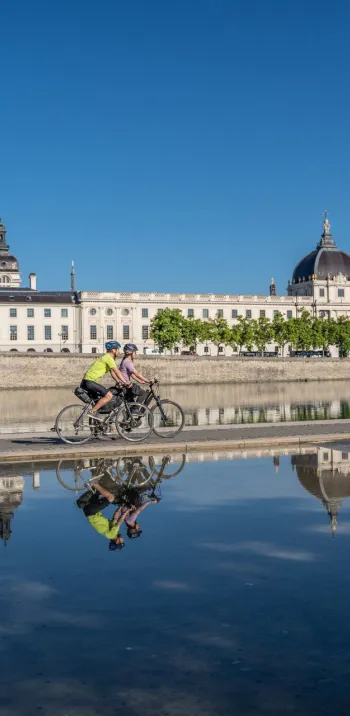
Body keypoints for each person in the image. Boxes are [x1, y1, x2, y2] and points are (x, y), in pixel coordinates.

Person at [77, 481, 132, 551]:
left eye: (122, 541)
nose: (123, 539)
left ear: (117, 541)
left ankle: (94, 483)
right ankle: (97, 475)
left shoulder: (112, 535)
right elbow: (115, 517)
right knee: (99, 491)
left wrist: (127, 511)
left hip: (92, 513)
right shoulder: (111, 533)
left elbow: (119, 522)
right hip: (90, 512)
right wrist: (120, 507)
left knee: (110, 497)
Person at [81, 341, 130, 414]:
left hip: (86, 381)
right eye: (118, 349)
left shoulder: (106, 357)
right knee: (109, 396)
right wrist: (125, 382)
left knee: (97, 401)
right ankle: (92, 411)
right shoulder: (108, 358)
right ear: (113, 350)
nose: (119, 352)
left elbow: (112, 372)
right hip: (90, 382)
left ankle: (95, 420)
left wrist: (118, 381)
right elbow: (116, 371)